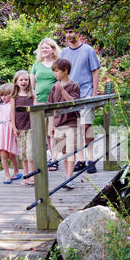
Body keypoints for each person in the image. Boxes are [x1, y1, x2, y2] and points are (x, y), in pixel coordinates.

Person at [60, 22, 101, 173]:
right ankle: (81, 160)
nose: (69, 34)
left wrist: (94, 94)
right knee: (75, 130)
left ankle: (91, 160)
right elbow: (61, 74)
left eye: (72, 31)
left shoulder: (88, 50)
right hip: (69, 96)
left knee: (86, 127)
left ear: (79, 34)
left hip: (85, 93)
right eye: (67, 32)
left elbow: (95, 72)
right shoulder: (64, 53)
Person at [48, 59, 80, 189]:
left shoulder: (74, 86)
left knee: (71, 151)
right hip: (59, 123)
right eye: (53, 71)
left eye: (57, 71)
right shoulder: (53, 87)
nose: (55, 74)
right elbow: (50, 106)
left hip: (71, 122)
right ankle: (67, 175)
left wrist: (62, 91)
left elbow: (73, 102)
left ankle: (69, 177)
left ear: (65, 71)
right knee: (64, 152)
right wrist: (51, 125)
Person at [30, 37, 61, 171]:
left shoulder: (57, 64)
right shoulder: (36, 65)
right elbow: (32, 84)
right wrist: (34, 99)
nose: (44, 50)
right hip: (39, 102)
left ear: (53, 49)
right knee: (45, 133)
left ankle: (54, 159)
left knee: (53, 131)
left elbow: (60, 81)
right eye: (42, 48)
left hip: (53, 103)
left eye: (46, 47)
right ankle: (51, 156)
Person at [10, 70, 36, 185]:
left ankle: (32, 175)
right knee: (23, 153)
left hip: (31, 126)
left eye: (26, 80)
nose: (24, 82)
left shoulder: (32, 94)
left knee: (30, 152)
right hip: (20, 127)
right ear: (16, 82)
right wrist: (14, 127)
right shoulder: (14, 97)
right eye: (21, 80)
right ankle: (25, 175)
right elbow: (12, 113)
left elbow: (36, 109)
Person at [0, 83, 21, 184]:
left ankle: (16, 170)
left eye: (6, 95)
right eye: (1, 95)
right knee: (3, 155)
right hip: (0, 130)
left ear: (11, 94)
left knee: (11, 153)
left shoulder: (13, 105)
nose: (3, 97)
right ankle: (7, 175)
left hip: (9, 129)